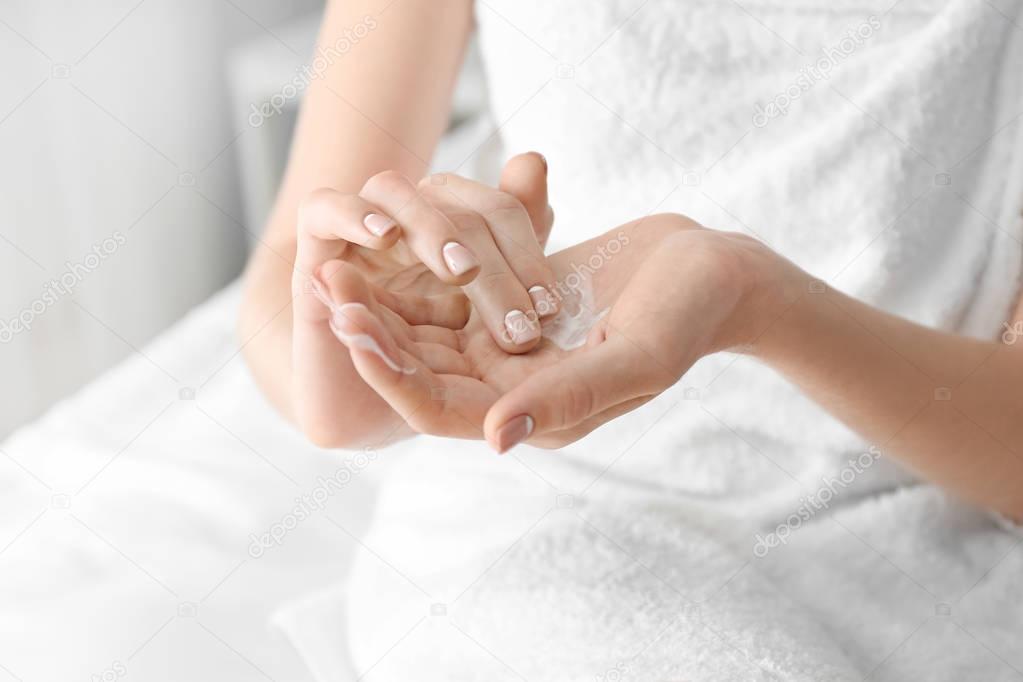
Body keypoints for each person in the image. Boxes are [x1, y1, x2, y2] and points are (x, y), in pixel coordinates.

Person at [239, 0, 1023, 677]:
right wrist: (344, 359)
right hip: (541, 509)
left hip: (924, 536)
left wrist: (752, 297)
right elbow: (288, 265)